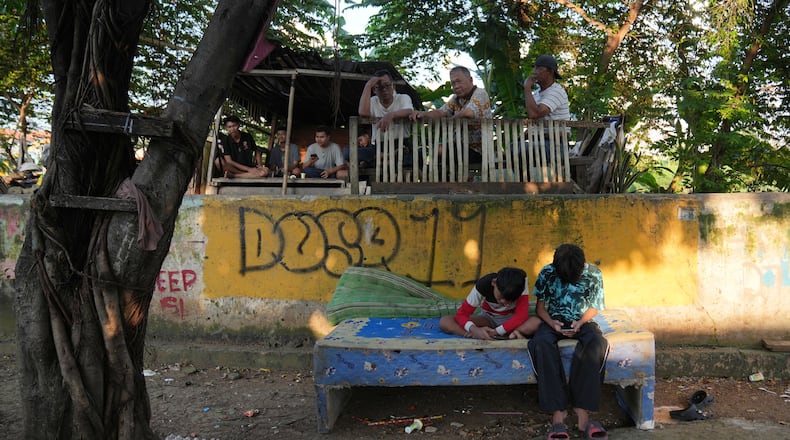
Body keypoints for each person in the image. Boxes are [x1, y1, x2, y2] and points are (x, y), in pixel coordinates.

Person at [527, 244, 609, 440]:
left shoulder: (594, 274)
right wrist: (552, 323)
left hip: (582, 321)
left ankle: (582, 410)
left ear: (582, 266)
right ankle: (558, 412)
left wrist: (580, 322)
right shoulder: (547, 272)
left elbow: (594, 308)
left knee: (597, 343)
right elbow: (540, 309)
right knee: (540, 344)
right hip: (552, 321)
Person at [410, 66, 492, 163]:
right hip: (459, 149)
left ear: (470, 80)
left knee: (438, 150)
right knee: (428, 152)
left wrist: (450, 122)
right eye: (453, 83)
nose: (456, 86)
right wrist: (423, 114)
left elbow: (468, 113)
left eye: (459, 81)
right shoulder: (456, 98)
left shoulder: (480, 93)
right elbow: (441, 112)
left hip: (479, 151)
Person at [439, 267, 541, 340]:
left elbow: (521, 316)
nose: (505, 303)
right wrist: (473, 330)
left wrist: (497, 332)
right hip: (488, 319)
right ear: (494, 283)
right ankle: (472, 335)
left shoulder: (521, 282)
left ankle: (507, 333)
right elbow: (462, 314)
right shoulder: (484, 284)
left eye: (511, 300)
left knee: (536, 323)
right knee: (445, 321)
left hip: (512, 320)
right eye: (501, 298)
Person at [523, 55, 570, 121]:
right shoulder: (537, 93)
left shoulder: (556, 91)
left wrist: (527, 87)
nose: (533, 72)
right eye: (534, 68)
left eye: (538, 69)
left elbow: (534, 114)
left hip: (556, 131)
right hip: (542, 131)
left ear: (550, 72)